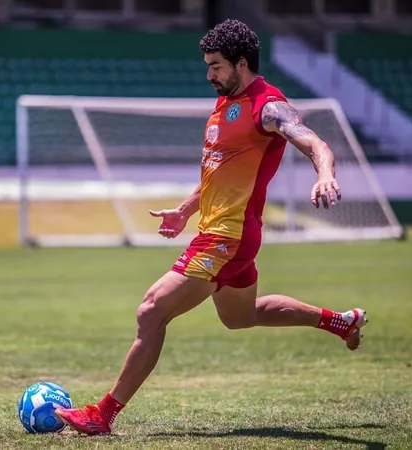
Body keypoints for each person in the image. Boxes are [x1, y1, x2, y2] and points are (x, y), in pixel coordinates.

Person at [54, 18, 367, 436]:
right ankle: (339, 321)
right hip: (227, 232)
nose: (209, 74)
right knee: (241, 317)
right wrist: (185, 210)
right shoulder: (224, 104)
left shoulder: (268, 106)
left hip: (228, 236)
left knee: (151, 310)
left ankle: (103, 414)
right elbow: (220, 174)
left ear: (241, 63)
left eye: (216, 65)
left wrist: (324, 175)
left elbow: (316, 143)